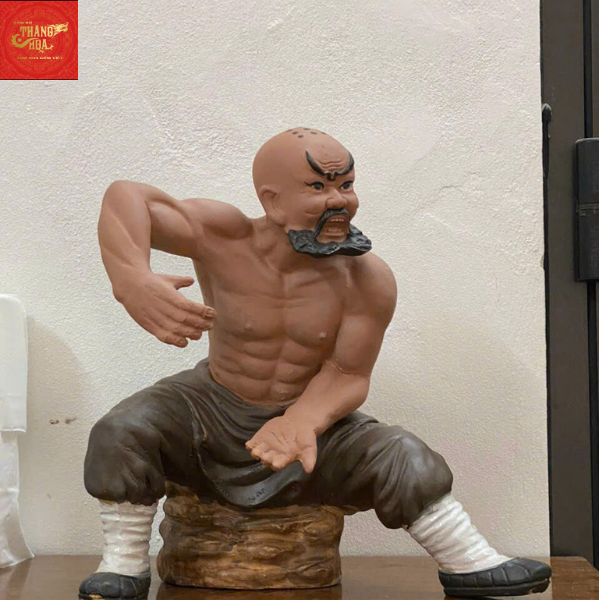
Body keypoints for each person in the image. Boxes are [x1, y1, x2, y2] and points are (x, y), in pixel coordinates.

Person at [79, 128, 551, 600]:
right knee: (121, 430)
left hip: (311, 418)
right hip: (210, 408)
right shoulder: (224, 236)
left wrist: (302, 419)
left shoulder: (366, 279)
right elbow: (127, 198)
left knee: (403, 455)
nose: (338, 201)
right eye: (318, 187)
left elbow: (348, 373)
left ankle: (469, 561)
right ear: (272, 199)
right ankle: (123, 564)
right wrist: (131, 277)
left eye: (346, 185)